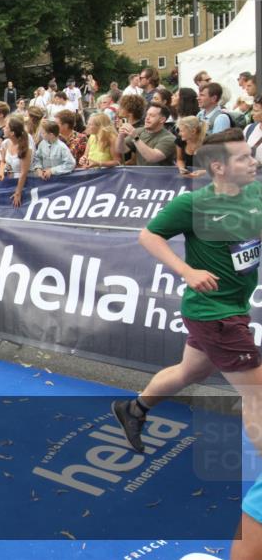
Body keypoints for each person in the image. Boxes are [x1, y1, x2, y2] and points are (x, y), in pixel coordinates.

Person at [111, 129, 261, 560]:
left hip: (228, 306)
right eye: (244, 158)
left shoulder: (256, 192)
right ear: (218, 167)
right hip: (214, 312)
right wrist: (186, 271)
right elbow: (148, 236)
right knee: (257, 393)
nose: (253, 162)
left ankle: (133, 409)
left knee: (190, 371)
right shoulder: (194, 204)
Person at [0, 117, 34, 207]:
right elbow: (3, 161)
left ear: (12, 133)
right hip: (12, 181)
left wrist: (18, 193)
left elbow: (24, 173)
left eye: (6, 127)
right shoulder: (5, 143)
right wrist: (1, 172)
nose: (3, 129)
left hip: (26, 183)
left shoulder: (25, 148)